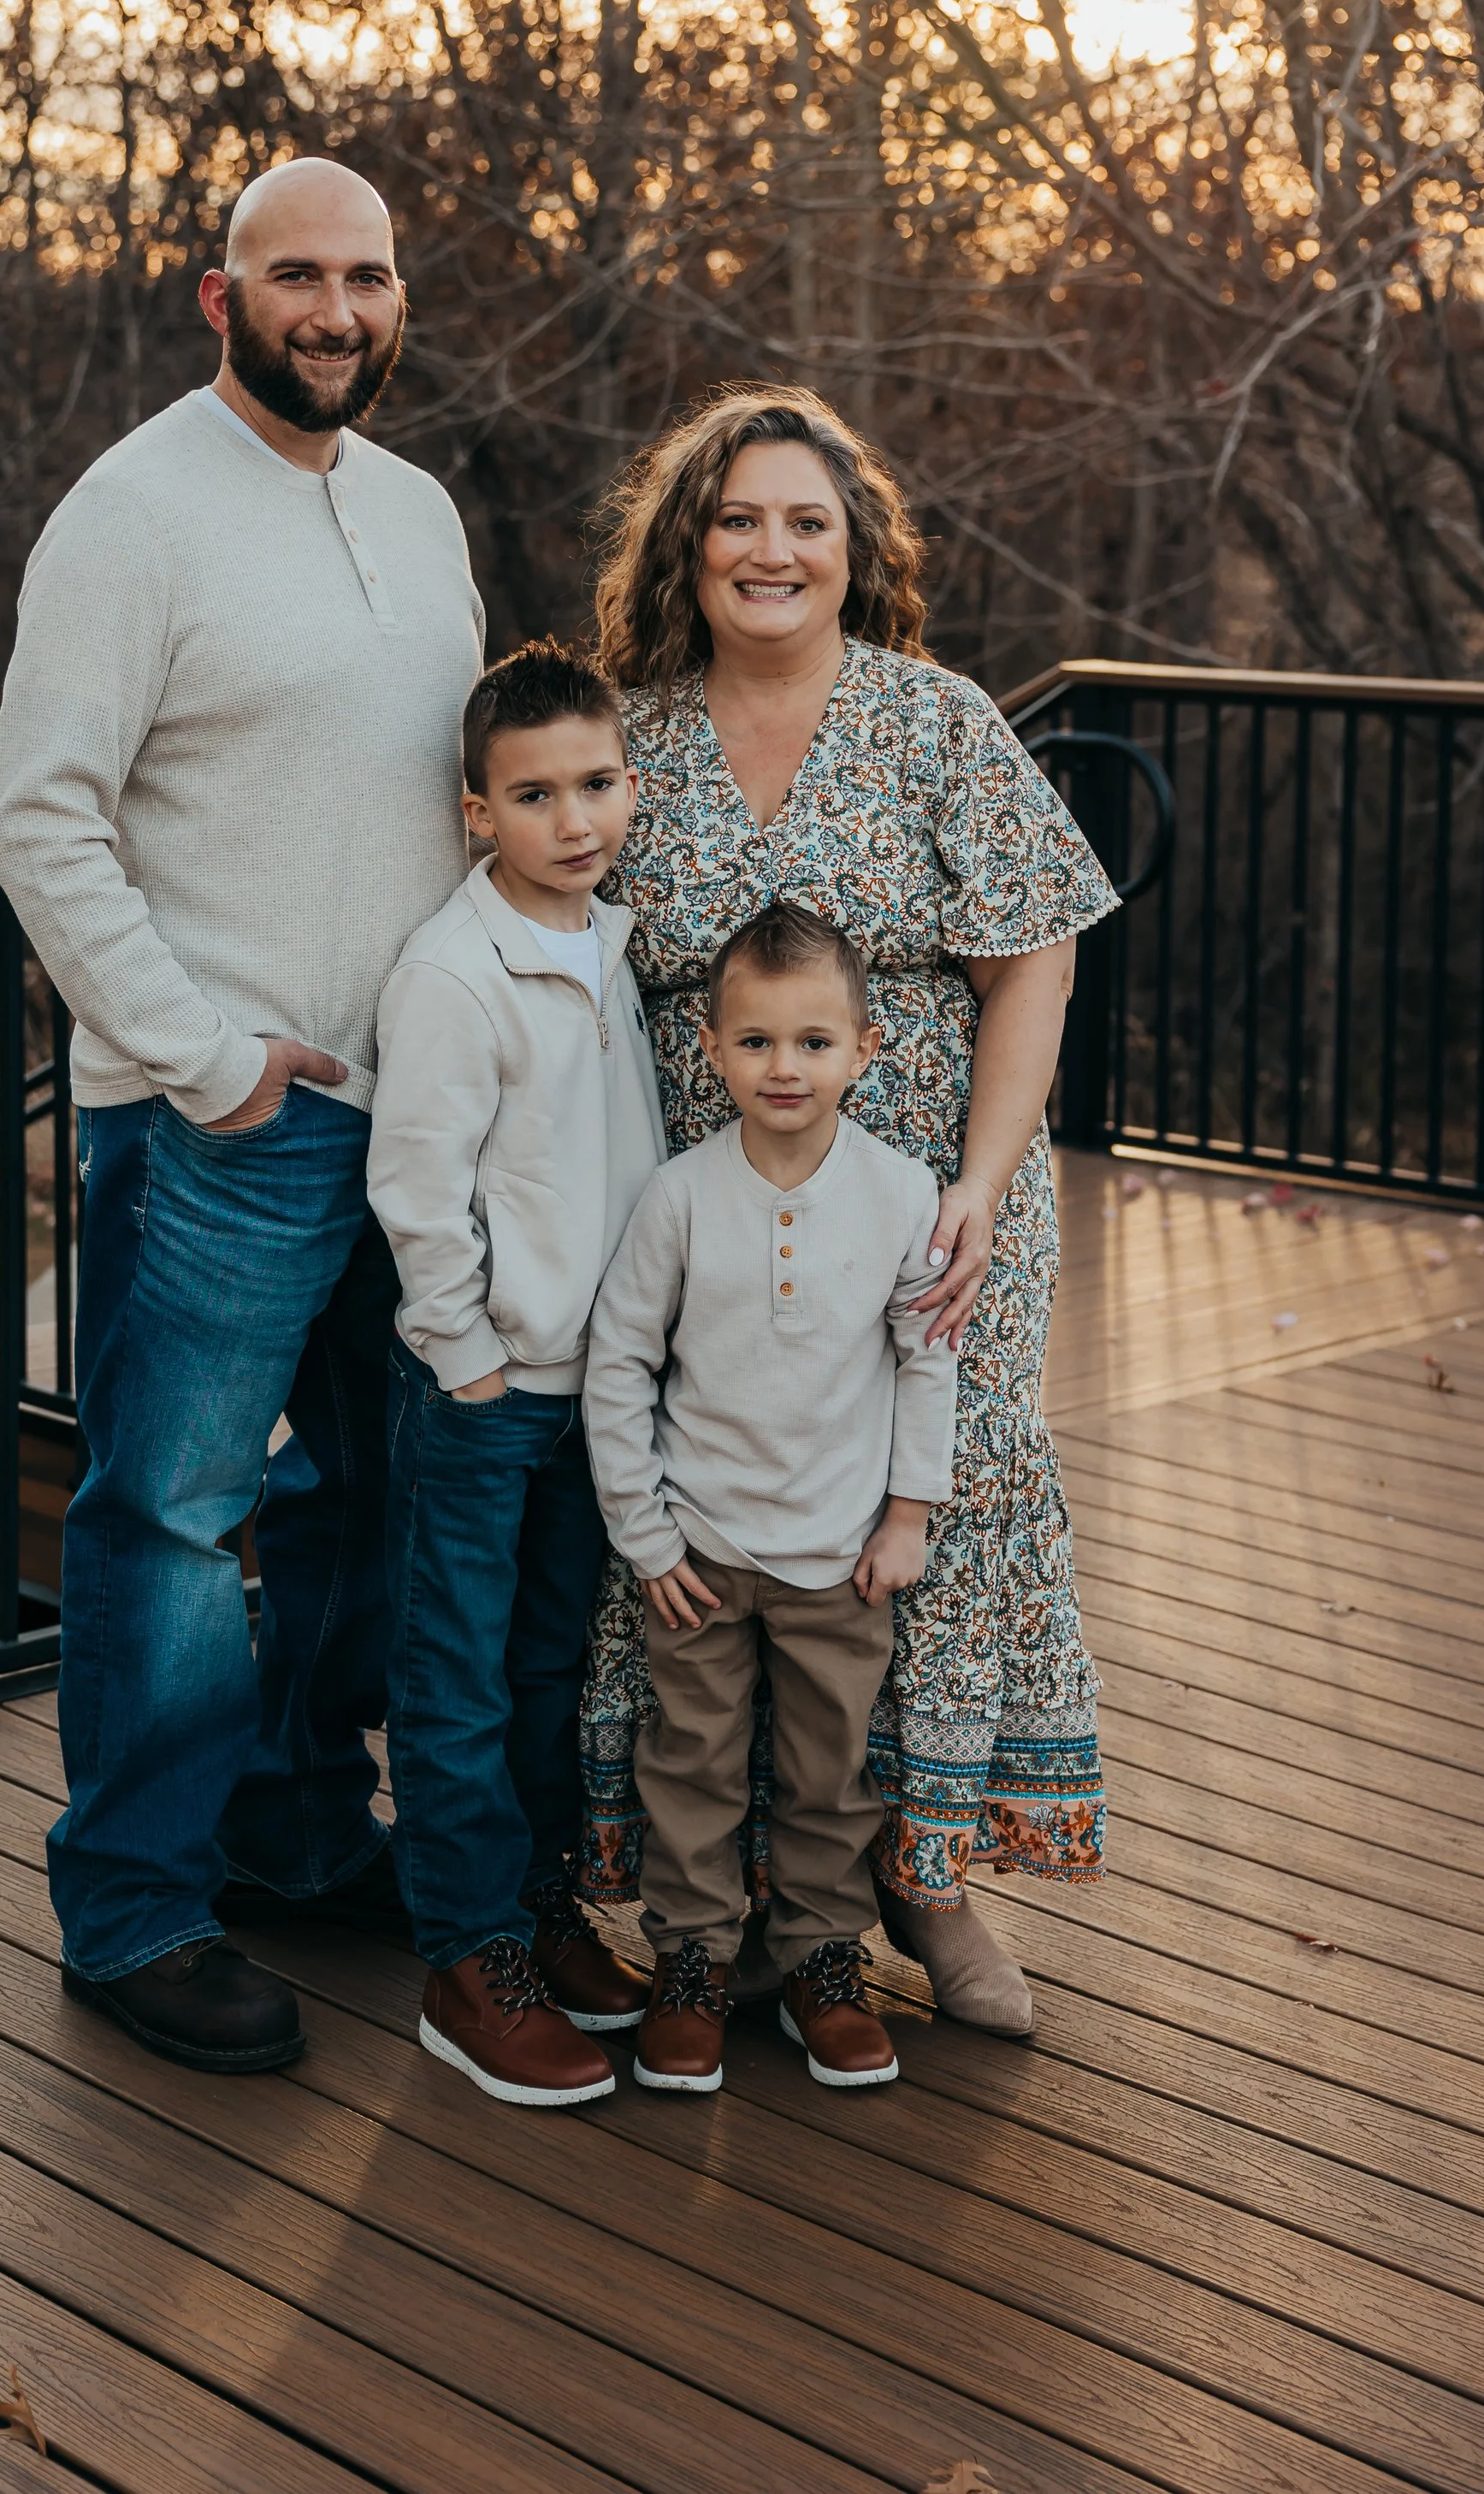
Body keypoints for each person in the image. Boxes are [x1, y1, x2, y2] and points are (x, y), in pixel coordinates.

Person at [0, 157, 483, 2072]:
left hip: (415, 1120)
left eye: (365, 277)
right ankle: (132, 1910)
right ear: (220, 297)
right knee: (172, 1523)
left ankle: (289, 1828)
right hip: (222, 1124)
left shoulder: (420, 509)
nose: (336, 312)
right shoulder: (131, 514)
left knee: (366, 1495)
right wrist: (202, 1056)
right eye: (297, 278)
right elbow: (41, 813)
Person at [580, 386, 1116, 2041]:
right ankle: (735, 1894)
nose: (772, 548)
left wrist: (979, 1181)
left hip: (927, 1218)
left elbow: (1038, 948)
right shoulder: (631, 735)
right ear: (691, 541)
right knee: (717, 1520)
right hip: (697, 1217)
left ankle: (920, 1878)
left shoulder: (937, 718)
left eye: (807, 520)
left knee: (926, 1512)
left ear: (852, 547)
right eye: (739, 516)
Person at [583, 900, 959, 2094]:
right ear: (710, 1047)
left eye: (811, 1040)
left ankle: (820, 1960)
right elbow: (620, 1365)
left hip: (841, 1557)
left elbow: (925, 1358)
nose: (783, 1067)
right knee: (689, 1761)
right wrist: (643, 1534)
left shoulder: (903, 1195)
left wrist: (909, 1515)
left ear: (865, 1046)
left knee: (829, 1767)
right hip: (699, 1549)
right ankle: (693, 1958)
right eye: (755, 1041)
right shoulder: (681, 1197)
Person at [368, 642, 665, 2106]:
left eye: (599, 783)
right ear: (478, 810)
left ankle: (543, 1908)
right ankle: (465, 1953)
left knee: (550, 1663)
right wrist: (470, 1360)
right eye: (537, 794)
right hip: (488, 1399)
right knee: (455, 1676)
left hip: (598, 1395)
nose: (576, 818)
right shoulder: (452, 969)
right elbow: (418, 1189)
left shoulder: (613, 941)